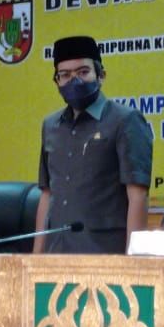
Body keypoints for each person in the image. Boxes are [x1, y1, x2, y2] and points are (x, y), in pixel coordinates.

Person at [35, 35, 152, 253]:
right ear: (56, 82)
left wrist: (134, 260)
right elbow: (47, 194)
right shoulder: (50, 125)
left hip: (104, 252)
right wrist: (35, 259)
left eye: (83, 72)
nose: (74, 81)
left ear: (101, 75)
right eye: (65, 75)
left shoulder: (125, 120)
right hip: (56, 252)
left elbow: (138, 196)